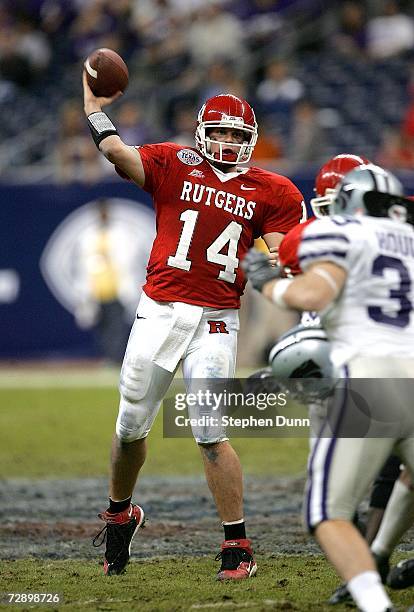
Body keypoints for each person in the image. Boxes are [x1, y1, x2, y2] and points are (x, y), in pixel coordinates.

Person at [83, 73, 305, 578]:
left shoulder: (272, 189)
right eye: (219, 132)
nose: (227, 142)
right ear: (202, 131)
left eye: (236, 135)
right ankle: (121, 513)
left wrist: (285, 271)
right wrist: (95, 107)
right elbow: (118, 153)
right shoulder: (172, 161)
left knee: (209, 430)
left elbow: (283, 250)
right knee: (131, 424)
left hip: (217, 319)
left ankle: (237, 544)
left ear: (250, 141)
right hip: (158, 310)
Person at [242, 163, 414, 612]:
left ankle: (376, 605)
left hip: (372, 379)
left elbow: (314, 295)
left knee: (325, 513)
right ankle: (378, 555)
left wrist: (269, 285)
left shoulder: (335, 233)